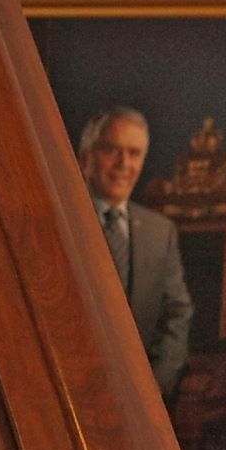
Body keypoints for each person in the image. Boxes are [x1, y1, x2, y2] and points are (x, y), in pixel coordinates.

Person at [75, 106, 192, 401]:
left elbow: (176, 313)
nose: (123, 163)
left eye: (134, 153)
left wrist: (153, 389)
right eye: (111, 150)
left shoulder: (160, 232)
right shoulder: (61, 221)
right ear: (86, 156)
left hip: (139, 404)